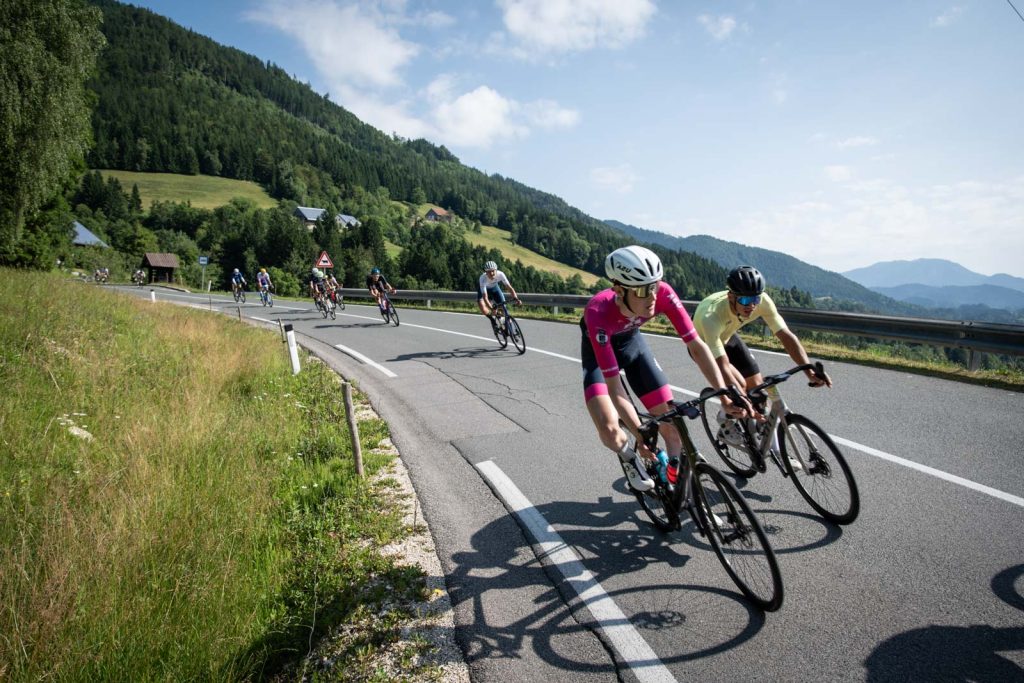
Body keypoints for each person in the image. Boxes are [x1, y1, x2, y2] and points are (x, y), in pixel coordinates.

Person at [582, 246, 750, 493]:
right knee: (609, 429)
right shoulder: (598, 312)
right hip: (598, 355)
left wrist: (724, 394)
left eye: (655, 285)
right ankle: (629, 458)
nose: (652, 296)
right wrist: (640, 433)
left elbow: (696, 346)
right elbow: (615, 387)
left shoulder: (663, 294)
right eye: (642, 290)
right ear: (619, 289)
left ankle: (676, 487)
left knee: (671, 426)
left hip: (632, 346)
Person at [693, 265, 831, 464]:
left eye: (755, 300)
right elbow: (722, 365)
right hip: (703, 344)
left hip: (727, 336)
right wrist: (736, 397)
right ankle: (725, 419)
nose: (751, 306)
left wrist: (809, 370)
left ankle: (763, 437)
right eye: (745, 300)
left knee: (758, 392)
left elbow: (786, 336)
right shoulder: (711, 315)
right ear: (731, 297)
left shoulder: (762, 301)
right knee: (739, 389)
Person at [477, 261, 521, 329]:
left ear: (496, 270)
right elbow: (485, 298)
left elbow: (509, 288)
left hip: (495, 289)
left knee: (503, 307)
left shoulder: (500, 274)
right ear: (486, 272)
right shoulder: (482, 278)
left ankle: (507, 325)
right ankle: (492, 320)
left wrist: (516, 298)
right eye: (489, 272)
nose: (491, 273)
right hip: (484, 291)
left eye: (493, 271)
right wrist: (492, 309)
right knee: (482, 307)